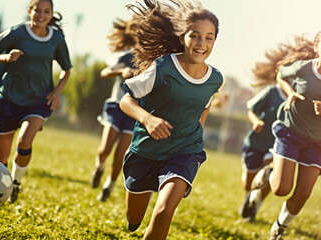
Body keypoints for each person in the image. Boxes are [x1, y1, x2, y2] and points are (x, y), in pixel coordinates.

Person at [120, 0, 223, 239]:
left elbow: (204, 107)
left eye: (209, 38)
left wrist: (194, 135)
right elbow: (126, 100)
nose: (201, 44)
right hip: (145, 150)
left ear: (215, 41)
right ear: (182, 38)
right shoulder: (163, 67)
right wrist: (147, 120)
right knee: (134, 219)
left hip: (184, 152)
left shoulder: (214, 79)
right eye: (195, 36)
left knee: (165, 210)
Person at [250, 29, 321, 240]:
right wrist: (290, 92)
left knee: (302, 194)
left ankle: (279, 226)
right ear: (317, 46)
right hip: (292, 131)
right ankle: (268, 174)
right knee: (281, 189)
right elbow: (281, 75)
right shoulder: (303, 67)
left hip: (319, 142)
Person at [0, 0, 72, 203]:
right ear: (29, 11)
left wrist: (57, 92)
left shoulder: (57, 38)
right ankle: (0, 186)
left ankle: (15, 184)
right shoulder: (16, 33)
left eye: (46, 11)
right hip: (9, 99)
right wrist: (6, 58)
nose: (41, 15)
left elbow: (66, 70)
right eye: (37, 10)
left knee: (24, 141)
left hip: (38, 102)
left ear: (52, 14)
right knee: (0, 157)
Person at [90, 16, 138, 202]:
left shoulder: (153, 59)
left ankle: (109, 185)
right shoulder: (125, 54)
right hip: (116, 106)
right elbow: (104, 72)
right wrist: (121, 72)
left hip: (134, 112)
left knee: (121, 154)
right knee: (105, 149)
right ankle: (99, 168)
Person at [238, 81, 286, 222]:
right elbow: (251, 110)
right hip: (256, 143)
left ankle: (255, 207)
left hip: (278, 144)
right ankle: (249, 197)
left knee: (272, 173)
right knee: (249, 182)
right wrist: (256, 122)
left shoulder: (298, 95)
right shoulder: (271, 91)